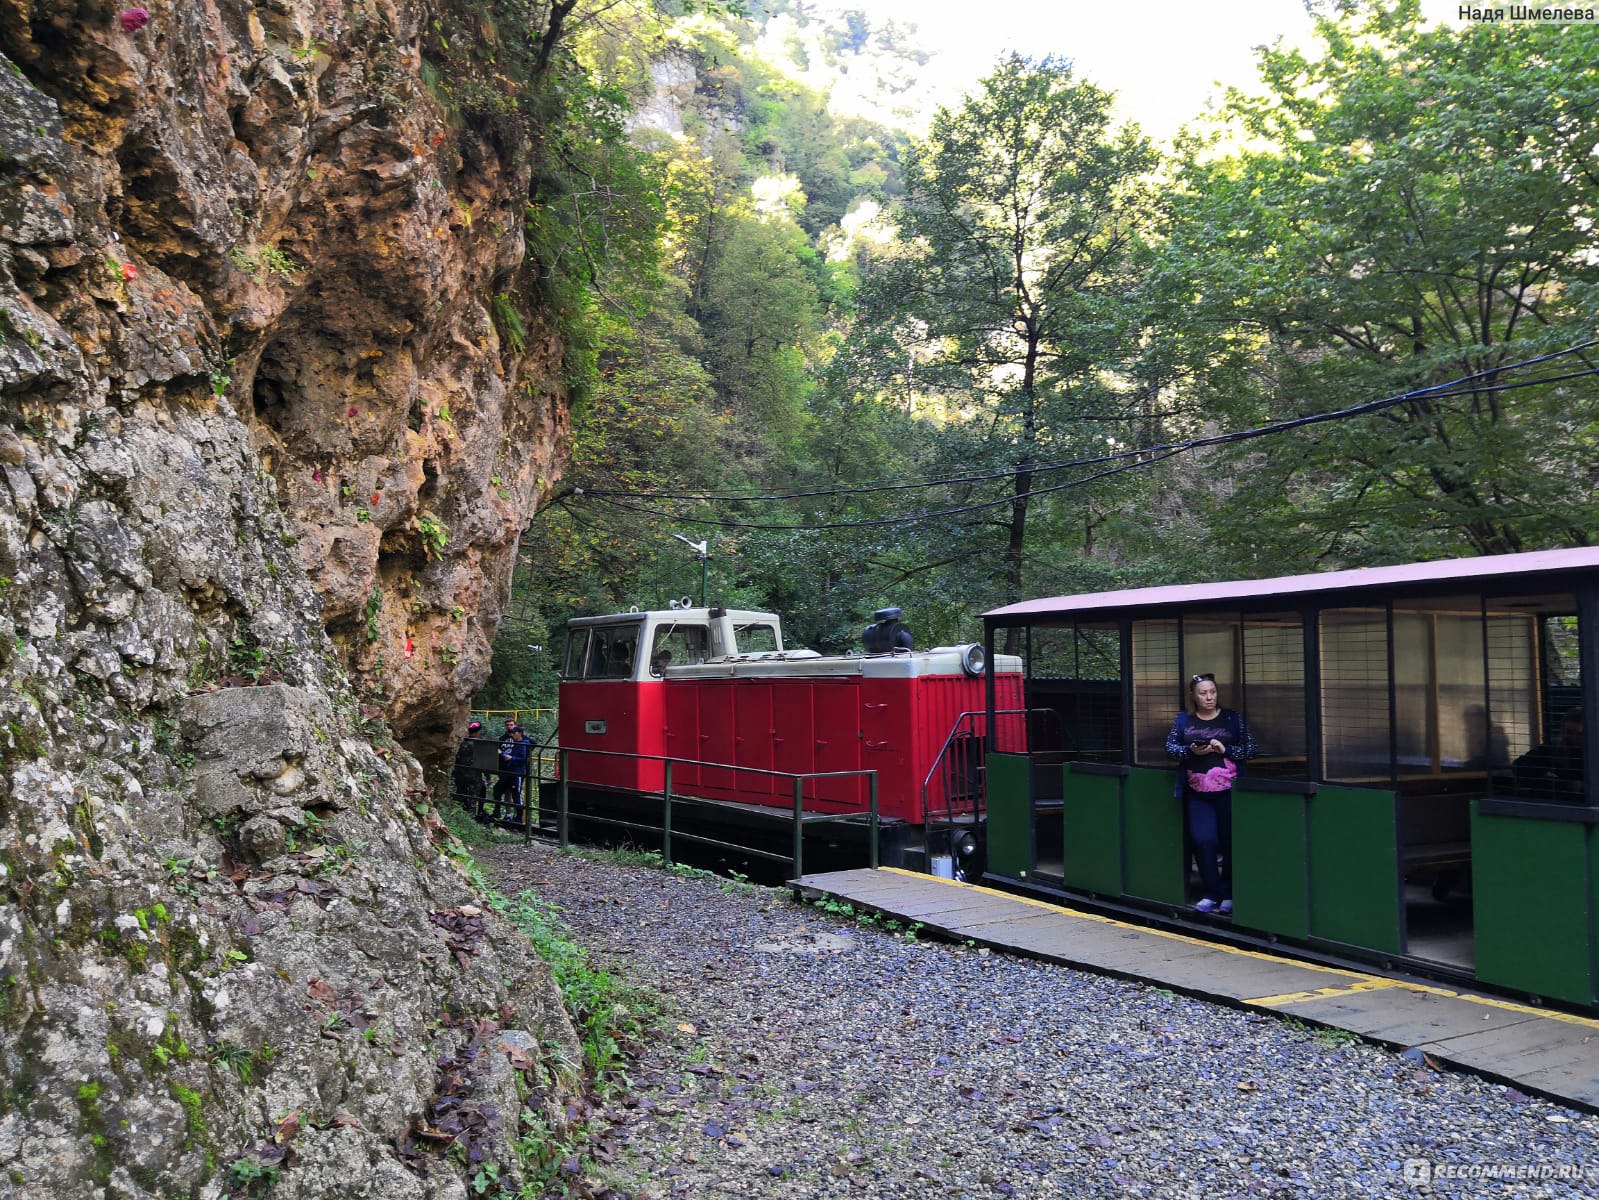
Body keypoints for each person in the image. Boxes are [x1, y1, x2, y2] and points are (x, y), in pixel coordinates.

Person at [1165, 673, 1256, 916]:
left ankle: (1228, 894)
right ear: (1193, 696)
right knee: (1204, 840)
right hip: (1197, 792)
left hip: (1229, 791)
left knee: (1229, 843)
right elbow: (1171, 748)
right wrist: (1192, 750)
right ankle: (1211, 893)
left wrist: (1225, 749)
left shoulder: (1231, 719)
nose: (1209, 697)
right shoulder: (1184, 720)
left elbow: (1252, 748)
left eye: (1213, 692)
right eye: (1203, 693)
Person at [1513, 708, 1584, 800]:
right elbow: (1518, 765)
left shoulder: (1592, 753)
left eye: (1579, 734)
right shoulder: (1552, 748)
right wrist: (1557, 781)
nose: (1573, 738)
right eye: (1569, 733)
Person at [492, 722, 530, 821]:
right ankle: (497, 811)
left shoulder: (523, 744)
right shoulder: (515, 743)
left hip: (517, 772)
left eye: (514, 733)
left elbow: (523, 758)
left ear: (519, 733)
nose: (512, 735)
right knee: (497, 789)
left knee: (516, 794)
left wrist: (512, 758)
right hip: (509, 771)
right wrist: (503, 754)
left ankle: (518, 817)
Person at [452, 720, 487, 816]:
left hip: (460, 771)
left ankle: (459, 812)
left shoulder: (461, 742)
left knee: (461, 792)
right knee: (473, 795)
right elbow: (484, 760)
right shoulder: (480, 743)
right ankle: (471, 814)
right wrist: (488, 777)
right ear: (478, 731)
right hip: (474, 774)